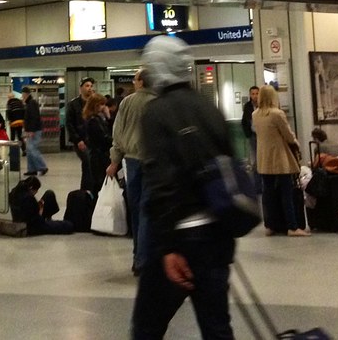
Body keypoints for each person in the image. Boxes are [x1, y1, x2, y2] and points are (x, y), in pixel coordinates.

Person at [132, 35, 237, 339]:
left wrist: (167, 247)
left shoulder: (157, 112)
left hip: (180, 238)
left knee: (147, 326)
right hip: (217, 235)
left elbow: (161, 183)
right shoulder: (209, 108)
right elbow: (229, 168)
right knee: (217, 327)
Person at [106, 67, 156, 275]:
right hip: (155, 162)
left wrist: (114, 161)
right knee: (149, 210)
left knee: (136, 209)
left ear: (142, 81)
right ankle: (147, 257)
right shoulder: (159, 102)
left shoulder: (127, 103)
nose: (134, 83)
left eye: (135, 79)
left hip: (133, 161)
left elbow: (118, 133)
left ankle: (138, 257)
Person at [253, 84, 309, 237]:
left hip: (264, 158)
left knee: (268, 193)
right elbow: (288, 135)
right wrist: (296, 143)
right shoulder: (277, 114)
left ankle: (270, 225)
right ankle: (292, 226)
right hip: (279, 157)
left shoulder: (255, 114)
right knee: (287, 192)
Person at [8, 175, 74, 235]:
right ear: (31, 188)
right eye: (36, 190)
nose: (36, 193)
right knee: (68, 225)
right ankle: (49, 221)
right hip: (33, 226)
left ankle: (48, 218)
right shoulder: (29, 198)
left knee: (49, 194)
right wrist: (40, 211)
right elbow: (36, 218)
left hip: (22, 219)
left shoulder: (14, 192)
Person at [65, 77, 95, 190]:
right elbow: (69, 123)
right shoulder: (73, 104)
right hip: (81, 140)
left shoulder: (94, 102)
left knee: (94, 164)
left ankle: (94, 188)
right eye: (87, 86)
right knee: (87, 162)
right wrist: (77, 140)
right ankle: (86, 189)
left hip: (93, 139)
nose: (90, 88)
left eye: (91, 86)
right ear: (81, 88)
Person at [83, 92, 112, 195]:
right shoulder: (93, 120)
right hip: (99, 156)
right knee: (99, 182)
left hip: (97, 154)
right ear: (96, 105)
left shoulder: (95, 118)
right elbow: (103, 137)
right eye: (102, 104)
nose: (104, 107)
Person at [23, 90, 48, 176]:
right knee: (29, 150)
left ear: (26, 94)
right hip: (31, 130)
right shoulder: (29, 103)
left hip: (35, 130)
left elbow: (34, 117)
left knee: (32, 149)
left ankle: (42, 167)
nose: (22, 97)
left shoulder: (31, 103)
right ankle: (32, 169)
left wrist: (32, 130)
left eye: (23, 94)